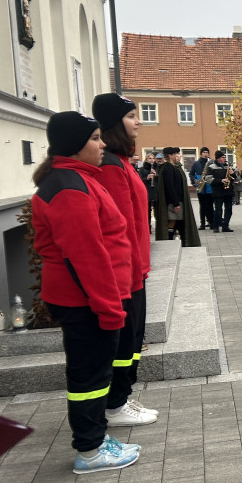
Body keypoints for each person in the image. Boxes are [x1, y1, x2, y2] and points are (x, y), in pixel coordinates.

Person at [32, 111, 139, 473]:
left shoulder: (77, 179)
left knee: (94, 373)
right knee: (89, 377)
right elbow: (87, 257)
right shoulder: (69, 188)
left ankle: (95, 438)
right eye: (94, 139)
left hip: (87, 300)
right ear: (74, 145)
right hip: (85, 302)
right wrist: (109, 309)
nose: (103, 144)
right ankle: (90, 451)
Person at [91, 93, 158, 428]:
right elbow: (119, 228)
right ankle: (115, 405)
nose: (139, 122)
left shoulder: (121, 162)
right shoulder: (111, 168)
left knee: (133, 341)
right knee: (125, 341)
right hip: (125, 273)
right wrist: (131, 272)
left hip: (136, 269)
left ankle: (121, 398)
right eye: (132, 116)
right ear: (116, 122)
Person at [156, 147, 201, 246]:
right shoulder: (167, 168)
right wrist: (175, 203)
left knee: (179, 222)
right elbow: (170, 187)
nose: (179, 156)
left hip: (179, 200)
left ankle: (183, 242)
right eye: (176, 154)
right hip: (174, 201)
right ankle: (169, 243)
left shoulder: (175, 167)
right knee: (172, 221)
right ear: (170, 156)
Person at [209, 150, 237, 233]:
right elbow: (208, 179)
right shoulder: (212, 167)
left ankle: (225, 225)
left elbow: (234, 178)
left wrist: (232, 173)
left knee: (229, 209)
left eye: (225, 157)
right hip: (218, 191)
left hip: (228, 191)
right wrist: (220, 180)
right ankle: (216, 226)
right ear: (218, 159)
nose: (224, 158)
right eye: (222, 157)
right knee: (218, 210)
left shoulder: (227, 166)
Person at [190, 147, 214, 230]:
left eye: (207, 152)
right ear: (200, 154)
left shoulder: (211, 163)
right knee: (202, 206)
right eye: (204, 152)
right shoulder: (196, 163)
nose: (205, 154)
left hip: (209, 187)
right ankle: (202, 223)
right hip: (200, 186)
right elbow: (191, 174)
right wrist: (195, 180)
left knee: (210, 206)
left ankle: (211, 222)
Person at [137, 151, 159, 232]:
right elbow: (139, 180)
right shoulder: (142, 169)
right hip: (147, 191)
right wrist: (147, 178)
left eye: (153, 158)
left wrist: (156, 175)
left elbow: (162, 179)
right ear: (146, 159)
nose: (152, 160)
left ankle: (159, 227)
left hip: (156, 191)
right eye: (150, 158)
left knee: (157, 210)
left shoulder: (157, 168)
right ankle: (148, 227)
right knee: (147, 210)